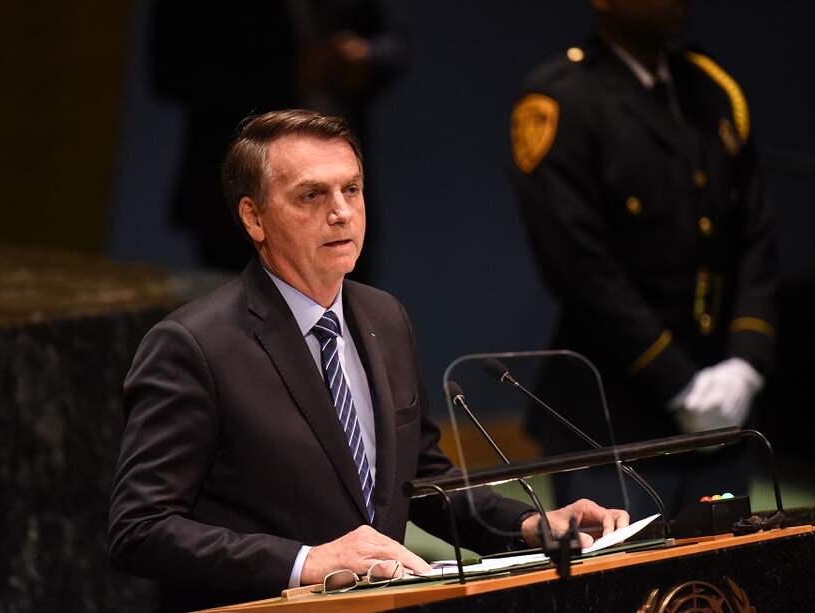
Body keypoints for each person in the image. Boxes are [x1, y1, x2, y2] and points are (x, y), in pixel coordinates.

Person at [108, 109, 629, 611]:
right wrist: (307, 561)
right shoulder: (193, 345)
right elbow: (141, 529)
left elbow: (421, 479)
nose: (341, 212)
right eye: (311, 195)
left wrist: (533, 525)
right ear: (254, 217)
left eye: (351, 189)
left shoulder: (385, 316)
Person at [508, 0, 776, 518]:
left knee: (726, 591)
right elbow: (579, 267)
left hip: (726, 409)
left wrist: (747, 360)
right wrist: (679, 383)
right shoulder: (561, 99)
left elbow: (756, 235)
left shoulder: (712, 90)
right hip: (613, 420)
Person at [151, 1, 405, 278]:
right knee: (247, 313)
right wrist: (292, 72)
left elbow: (387, 38)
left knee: (344, 312)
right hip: (244, 191)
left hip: (339, 182)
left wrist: (366, 57)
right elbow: (172, 68)